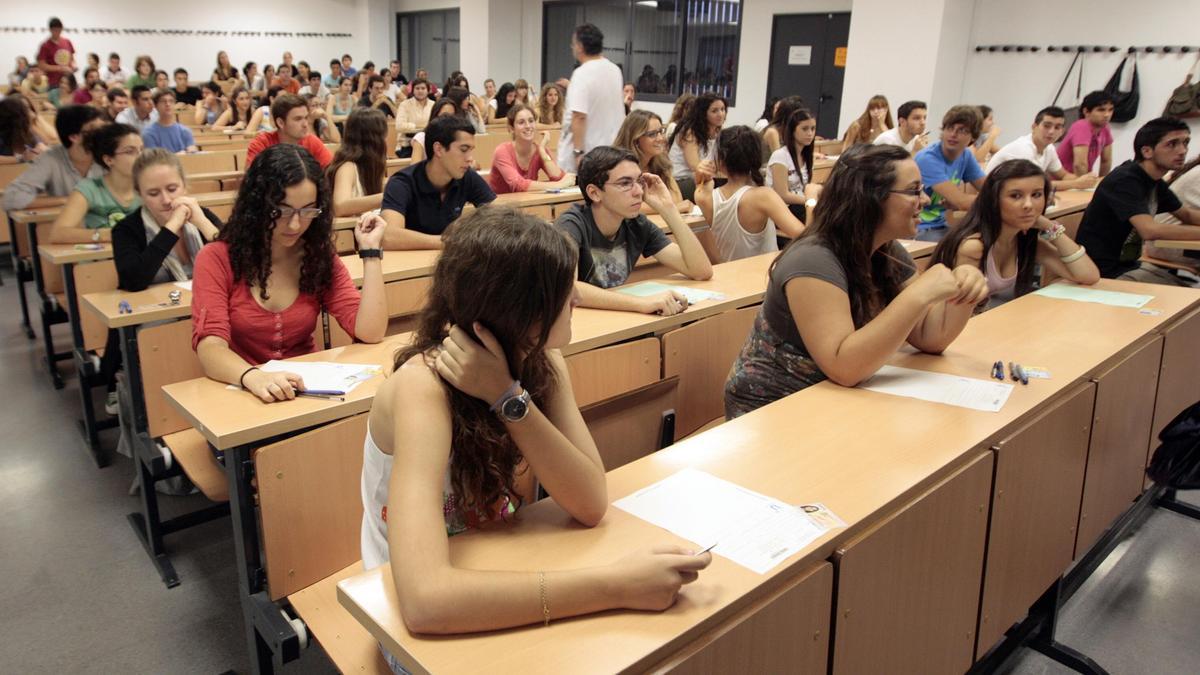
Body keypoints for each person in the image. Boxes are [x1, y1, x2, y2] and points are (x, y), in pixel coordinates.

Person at [363, 206, 709, 646]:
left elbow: (589, 501)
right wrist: (616, 585)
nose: (579, 299)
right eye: (563, 292)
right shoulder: (423, 389)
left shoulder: (542, 360)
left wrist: (507, 398)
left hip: (497, 559)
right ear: (519, 310)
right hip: (405, 605)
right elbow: (425, 601)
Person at [723, 144, 988, 419]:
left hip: (832, 398)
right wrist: (919, 294)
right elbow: (844, 366)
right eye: (913, 190)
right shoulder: (813, 259)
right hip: (773, 409)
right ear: (871, 197)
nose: (925, 199)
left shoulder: (886, 250)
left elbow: (930, 337)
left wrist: (964, 291)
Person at [191, 144, 387, 401]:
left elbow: (370, 332)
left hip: (306, 395)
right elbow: (210, 347)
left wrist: (371, 253)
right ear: (257, 205)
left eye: (307, 211)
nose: (295, 224)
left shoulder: (316, 256)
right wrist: (254, 376)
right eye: (281, 211)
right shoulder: (217, 258)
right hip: (242, 393)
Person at [556, 146, 713, 314]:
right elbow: (568, 288)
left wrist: (668, 209)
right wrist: (641, 303)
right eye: (625, 183)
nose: (639, 191)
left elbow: (701, 271)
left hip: (612, 317)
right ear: (594, 193)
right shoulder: (570, 225)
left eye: (639, 181)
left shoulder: (636, 224)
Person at [930, 159, 1099, 309]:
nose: (1028, 205)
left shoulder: (1025, 241)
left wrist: (1048, 226)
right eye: (1015, 196)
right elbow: (961, 311)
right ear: (994, 200)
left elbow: (1088, 275)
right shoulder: (973, 247)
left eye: (1036, 195)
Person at [1075, 117, 1200, 285]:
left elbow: (1187, 215)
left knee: (1190, 297)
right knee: (1189, 302)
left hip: (1130, 265)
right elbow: (1150, 230)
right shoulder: (1125, 180)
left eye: (1185, 143)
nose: (1182, 150)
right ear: (1147, 151)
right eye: (1172, 144)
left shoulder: (1153, 181)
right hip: (1101, 272)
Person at [379, 115, 495, 250]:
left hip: (449, 261)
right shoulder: (401, 183)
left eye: (471, 151)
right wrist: (451, 242)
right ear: (438, 149)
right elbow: (389, 237)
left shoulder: (466, 176)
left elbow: (498, 216)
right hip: (409, 265)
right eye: (464, 150)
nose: (470, 159)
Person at [696, 126, 804, 262]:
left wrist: (701, 174)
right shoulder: (763, 196)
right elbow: (803, 236)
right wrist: (812, 202)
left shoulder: (703, 197)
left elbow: (703, 185)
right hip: (762, 277)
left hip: (728, 277)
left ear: (721, 162)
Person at [48, 123, 143, 244]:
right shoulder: (89, 189)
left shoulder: (149, 187)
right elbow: (58, 234)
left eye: (141, 150)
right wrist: (106, 234)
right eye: (130, 152)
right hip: (103, 260)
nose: (140, 157)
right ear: (109, 159)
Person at [2, 105, 104, 210]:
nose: (104, 134)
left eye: (104, 128)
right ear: (74, 137)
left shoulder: (113, 153)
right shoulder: (51, 159)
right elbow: (11, 198)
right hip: (72, 223)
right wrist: (68, 200)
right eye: (95, 130)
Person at [558, 24, 626, 173]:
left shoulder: (582, 73)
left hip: (587, 154)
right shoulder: (615, 71)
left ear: (580, 46)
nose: (573, 47)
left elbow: (579, 116)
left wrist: (578, 153)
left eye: (574, 44)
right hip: (610, 152)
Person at [914, 105, 986, 241]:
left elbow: (990, 189)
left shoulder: (965, 155)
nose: (953, 134)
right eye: (950, 128)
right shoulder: (928, 159)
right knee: (970, 247)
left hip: (941, 225)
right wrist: (998, 199)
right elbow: (962, 203)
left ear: (973, 138)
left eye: (962, 131)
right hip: (920, 227)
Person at [985, 106, 1100, 191]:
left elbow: (1063, 175)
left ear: (1062, 132)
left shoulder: (1049, 148)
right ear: (1034, 127)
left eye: (1057, 127)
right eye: (1047, 126)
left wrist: (1085, 180)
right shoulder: (1023, 148)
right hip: (992, 196)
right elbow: (1036, 185)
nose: (1051, 132)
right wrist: (1076, 183)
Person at [612, 109, 691, 214]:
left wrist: (671, 208)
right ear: (635, 139)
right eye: (652, 134)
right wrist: (670, 209)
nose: (660, 138)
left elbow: (677, 200)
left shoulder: (661, 163)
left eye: (661, 131)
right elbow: (624, 205)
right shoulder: (619, 166)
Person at [488, 104, 574, 194]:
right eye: (521, 122)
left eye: (531, 121)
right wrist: (558, 185)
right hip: (500, 206)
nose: (528, 126)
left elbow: (558, 178)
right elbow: (518, 185)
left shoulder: (539, 150)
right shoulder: (502, 151)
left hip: (527, 204)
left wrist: (542, 151)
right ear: (511, 128)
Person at [245, 93, 333, 169]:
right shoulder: (261, 143)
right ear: (280, 123)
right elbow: (252, 180)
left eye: (306, 118)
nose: (305, 124)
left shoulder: (312, 141)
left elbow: (332, 171)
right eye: (298, 119)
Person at [767, 108, 823, 224]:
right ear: (792, 130)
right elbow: (782, 195)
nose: (810, 133)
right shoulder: (781, 156)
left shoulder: (807, 156)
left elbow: (806, 188)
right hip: (781, 209)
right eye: (804, 129)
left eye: (813, 129)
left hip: (800, 206)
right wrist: (810, 201)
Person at [328, 109, 388, 217]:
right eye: (383, 135)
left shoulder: (372, 166)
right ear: (373, 139)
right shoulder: (347, 167)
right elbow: (340, 206)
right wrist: (388, 196)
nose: (386, 140)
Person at [667, 93, 725, 201]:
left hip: (702, 179)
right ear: (703, 113)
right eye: (714, 111)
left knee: (734, 182)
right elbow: (696, 166)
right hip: (681, 181)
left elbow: (719, 164)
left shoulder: (718, 132)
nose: (720, 114)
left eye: (722, 109)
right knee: (722, 186)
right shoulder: (689, 131)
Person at [1057, 91, 1115, 178]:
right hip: (1061, 182)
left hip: (1079, 180)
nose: (1107, 115)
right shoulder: (1082, 126)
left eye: (1110, 110)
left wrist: (1103, 184)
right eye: (1101, 110)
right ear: (1086, 111)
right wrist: (1083, 187)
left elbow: (1106, 160)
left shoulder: (1105, 128)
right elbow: (1080, 164)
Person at [407, 97, 461, 163]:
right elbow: (415, 167)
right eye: (444, 115)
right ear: (435, 116)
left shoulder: (458, 138)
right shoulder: (421, 138)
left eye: (452, 116)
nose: (448, 119)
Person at [0, 97, 45, 163]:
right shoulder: (2, 137)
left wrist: (40, 148)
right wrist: (21, 159)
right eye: (26, 112)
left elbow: (41, 146)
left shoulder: (26, 132)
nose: (30, 115)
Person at [37, 17, 76, 88]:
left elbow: (72, 58)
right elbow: (42, 65)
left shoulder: (67, 42)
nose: (57, 33)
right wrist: (60, 68)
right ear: (50, 30)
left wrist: (73, 66)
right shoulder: (45, 45)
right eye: (55, 30)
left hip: (68, 81)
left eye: (59, 30)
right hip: (53, 82)